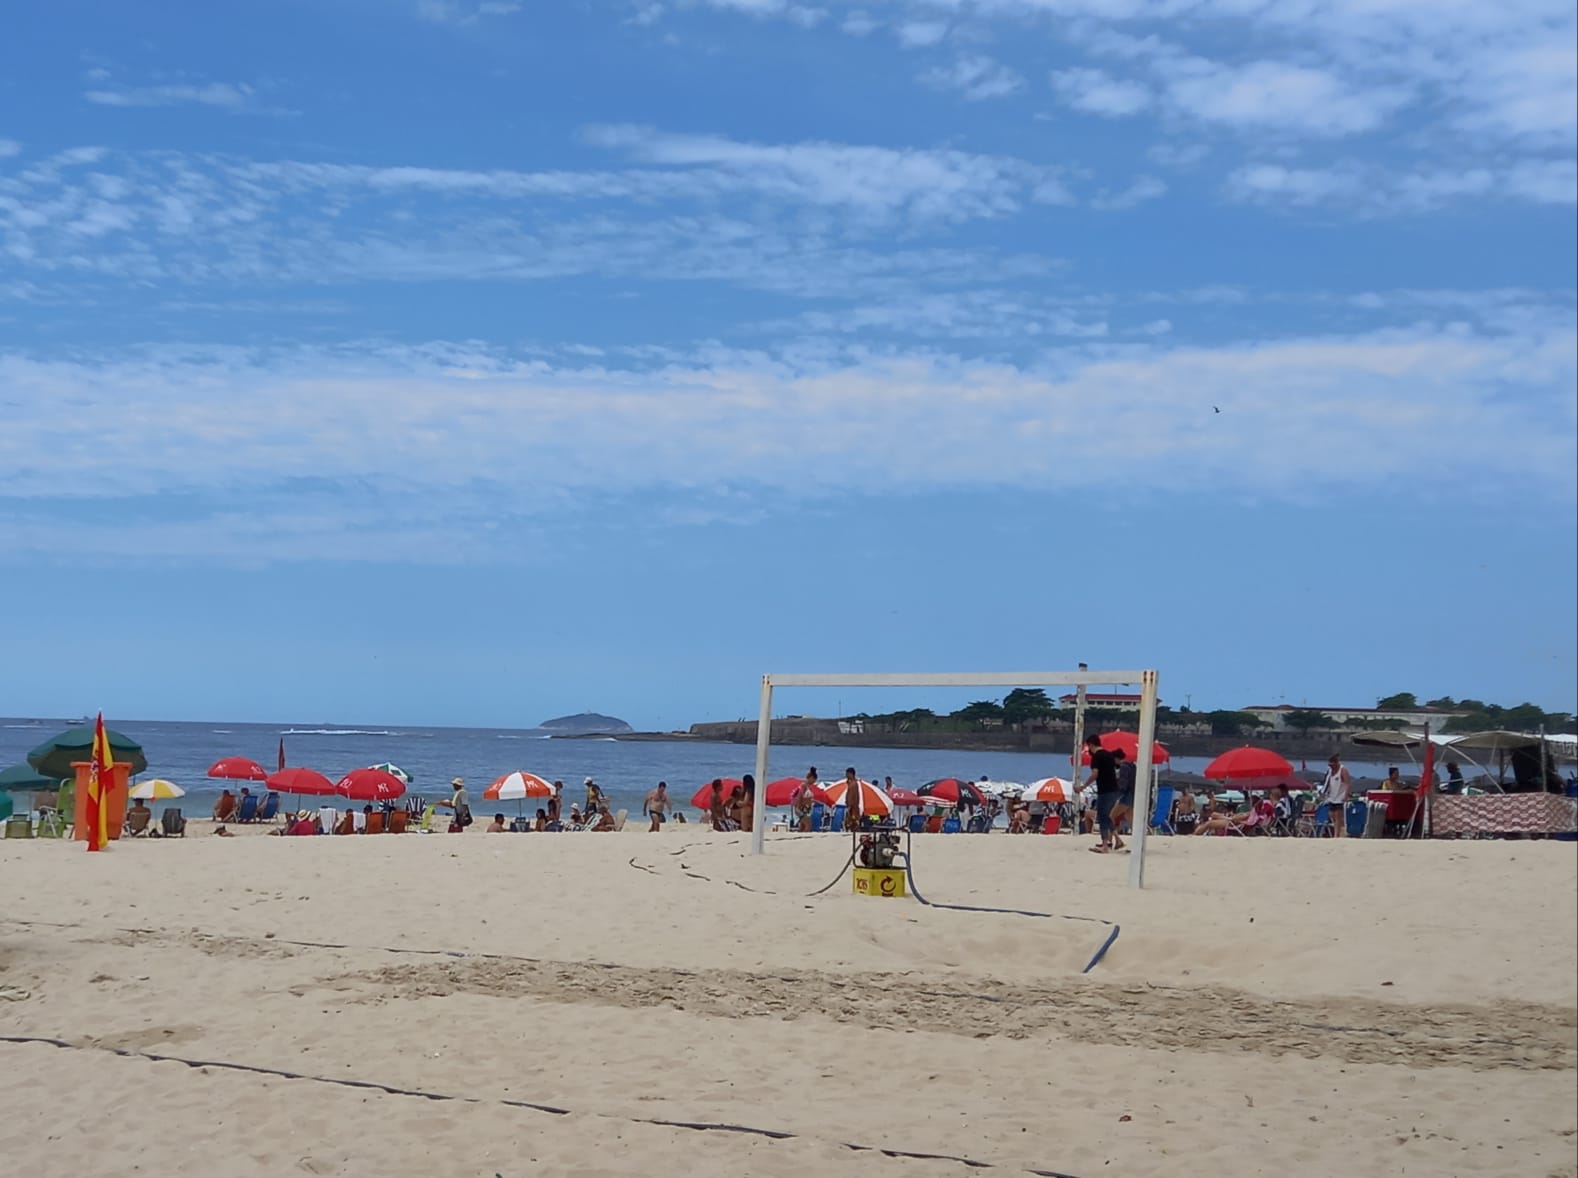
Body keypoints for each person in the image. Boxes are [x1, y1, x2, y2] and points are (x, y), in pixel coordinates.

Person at [1084, 734, 1120, 852]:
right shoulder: (1109, 755)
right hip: (1114, 789)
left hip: (1105, 790)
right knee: (1108, 816)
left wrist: (1084, 786)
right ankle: (1117, 840)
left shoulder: (1096, 757)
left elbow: (1095, 774)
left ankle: (1105, 845)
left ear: (1091, 745)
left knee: (1102, 816)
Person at [1194, 795, 1275, 835]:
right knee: (1213, 815)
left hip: (1236, 824)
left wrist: (1233, 817)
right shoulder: (1258, 814)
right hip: (1236, 822)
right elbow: (1244, 816)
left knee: (1209, 823)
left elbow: (1240, 819)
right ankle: (1195, 833)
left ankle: (1194, 835)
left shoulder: (1254, 814)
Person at [1319, 754, 1352, 837]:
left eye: (1332, 765)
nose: (1331, 767)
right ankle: (1337, 832)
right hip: (1332, 796)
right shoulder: (1330, 771)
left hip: (1340, 795)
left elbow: (1348, 783)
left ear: (1336, 763)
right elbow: (1327, 783)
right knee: (1332, 815)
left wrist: (1346, 795)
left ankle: (1336, 835)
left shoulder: (1343, 770)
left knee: (1338, 815)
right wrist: (1323, 792)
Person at [1110, 750, 1136, 848]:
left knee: (1110, 817)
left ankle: (1118, 840)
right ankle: (1137, 843)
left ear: (1116, 759)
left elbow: (1123, 784)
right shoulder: (1132, 766)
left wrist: (1116, 793)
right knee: (1131, 820)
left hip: (1126, 796)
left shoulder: (1124, 767)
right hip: (1133, 795)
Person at [793, 767, 819, 832]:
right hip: (802, 809)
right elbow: (799, 797)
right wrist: (798, 808)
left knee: (803, 826)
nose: (814, 782)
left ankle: (799, 839)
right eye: (814, 780)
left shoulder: (809, 787)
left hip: (807, 809)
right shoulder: (804, 786)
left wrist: (813, 801)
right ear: (811, 778)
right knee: (808, 825)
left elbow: (807, 798)